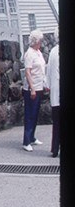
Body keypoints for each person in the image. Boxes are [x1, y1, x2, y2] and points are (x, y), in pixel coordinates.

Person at [21, 29, 46, 152]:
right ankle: (26, 141)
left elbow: (41, 69)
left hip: (39, 87)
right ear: (35, 41)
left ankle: (32, 137)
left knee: (35, 114)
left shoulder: (38, 52)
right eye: (40, 40)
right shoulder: (29, 53)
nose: (41, 42)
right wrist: (32, 89)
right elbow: (27, 72)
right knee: (30, 114)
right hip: (32, 88)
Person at [45, 26, 60, 157]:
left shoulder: (53, 51)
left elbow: (48, 71)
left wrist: (48, 85)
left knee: (56, 123)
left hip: (55, 93)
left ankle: (55, 149)